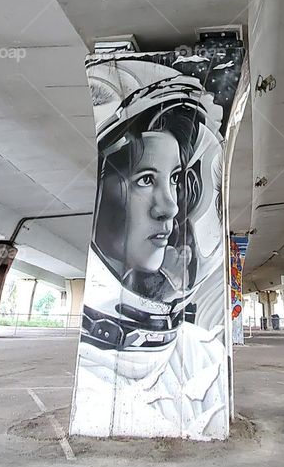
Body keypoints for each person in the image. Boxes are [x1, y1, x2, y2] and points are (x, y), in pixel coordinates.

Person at [70, 58, 229, 440]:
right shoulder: (91, 383)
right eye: (145, 179)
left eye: (175, 179)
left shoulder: (203, 356)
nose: (170, 206)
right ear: (99, 193)